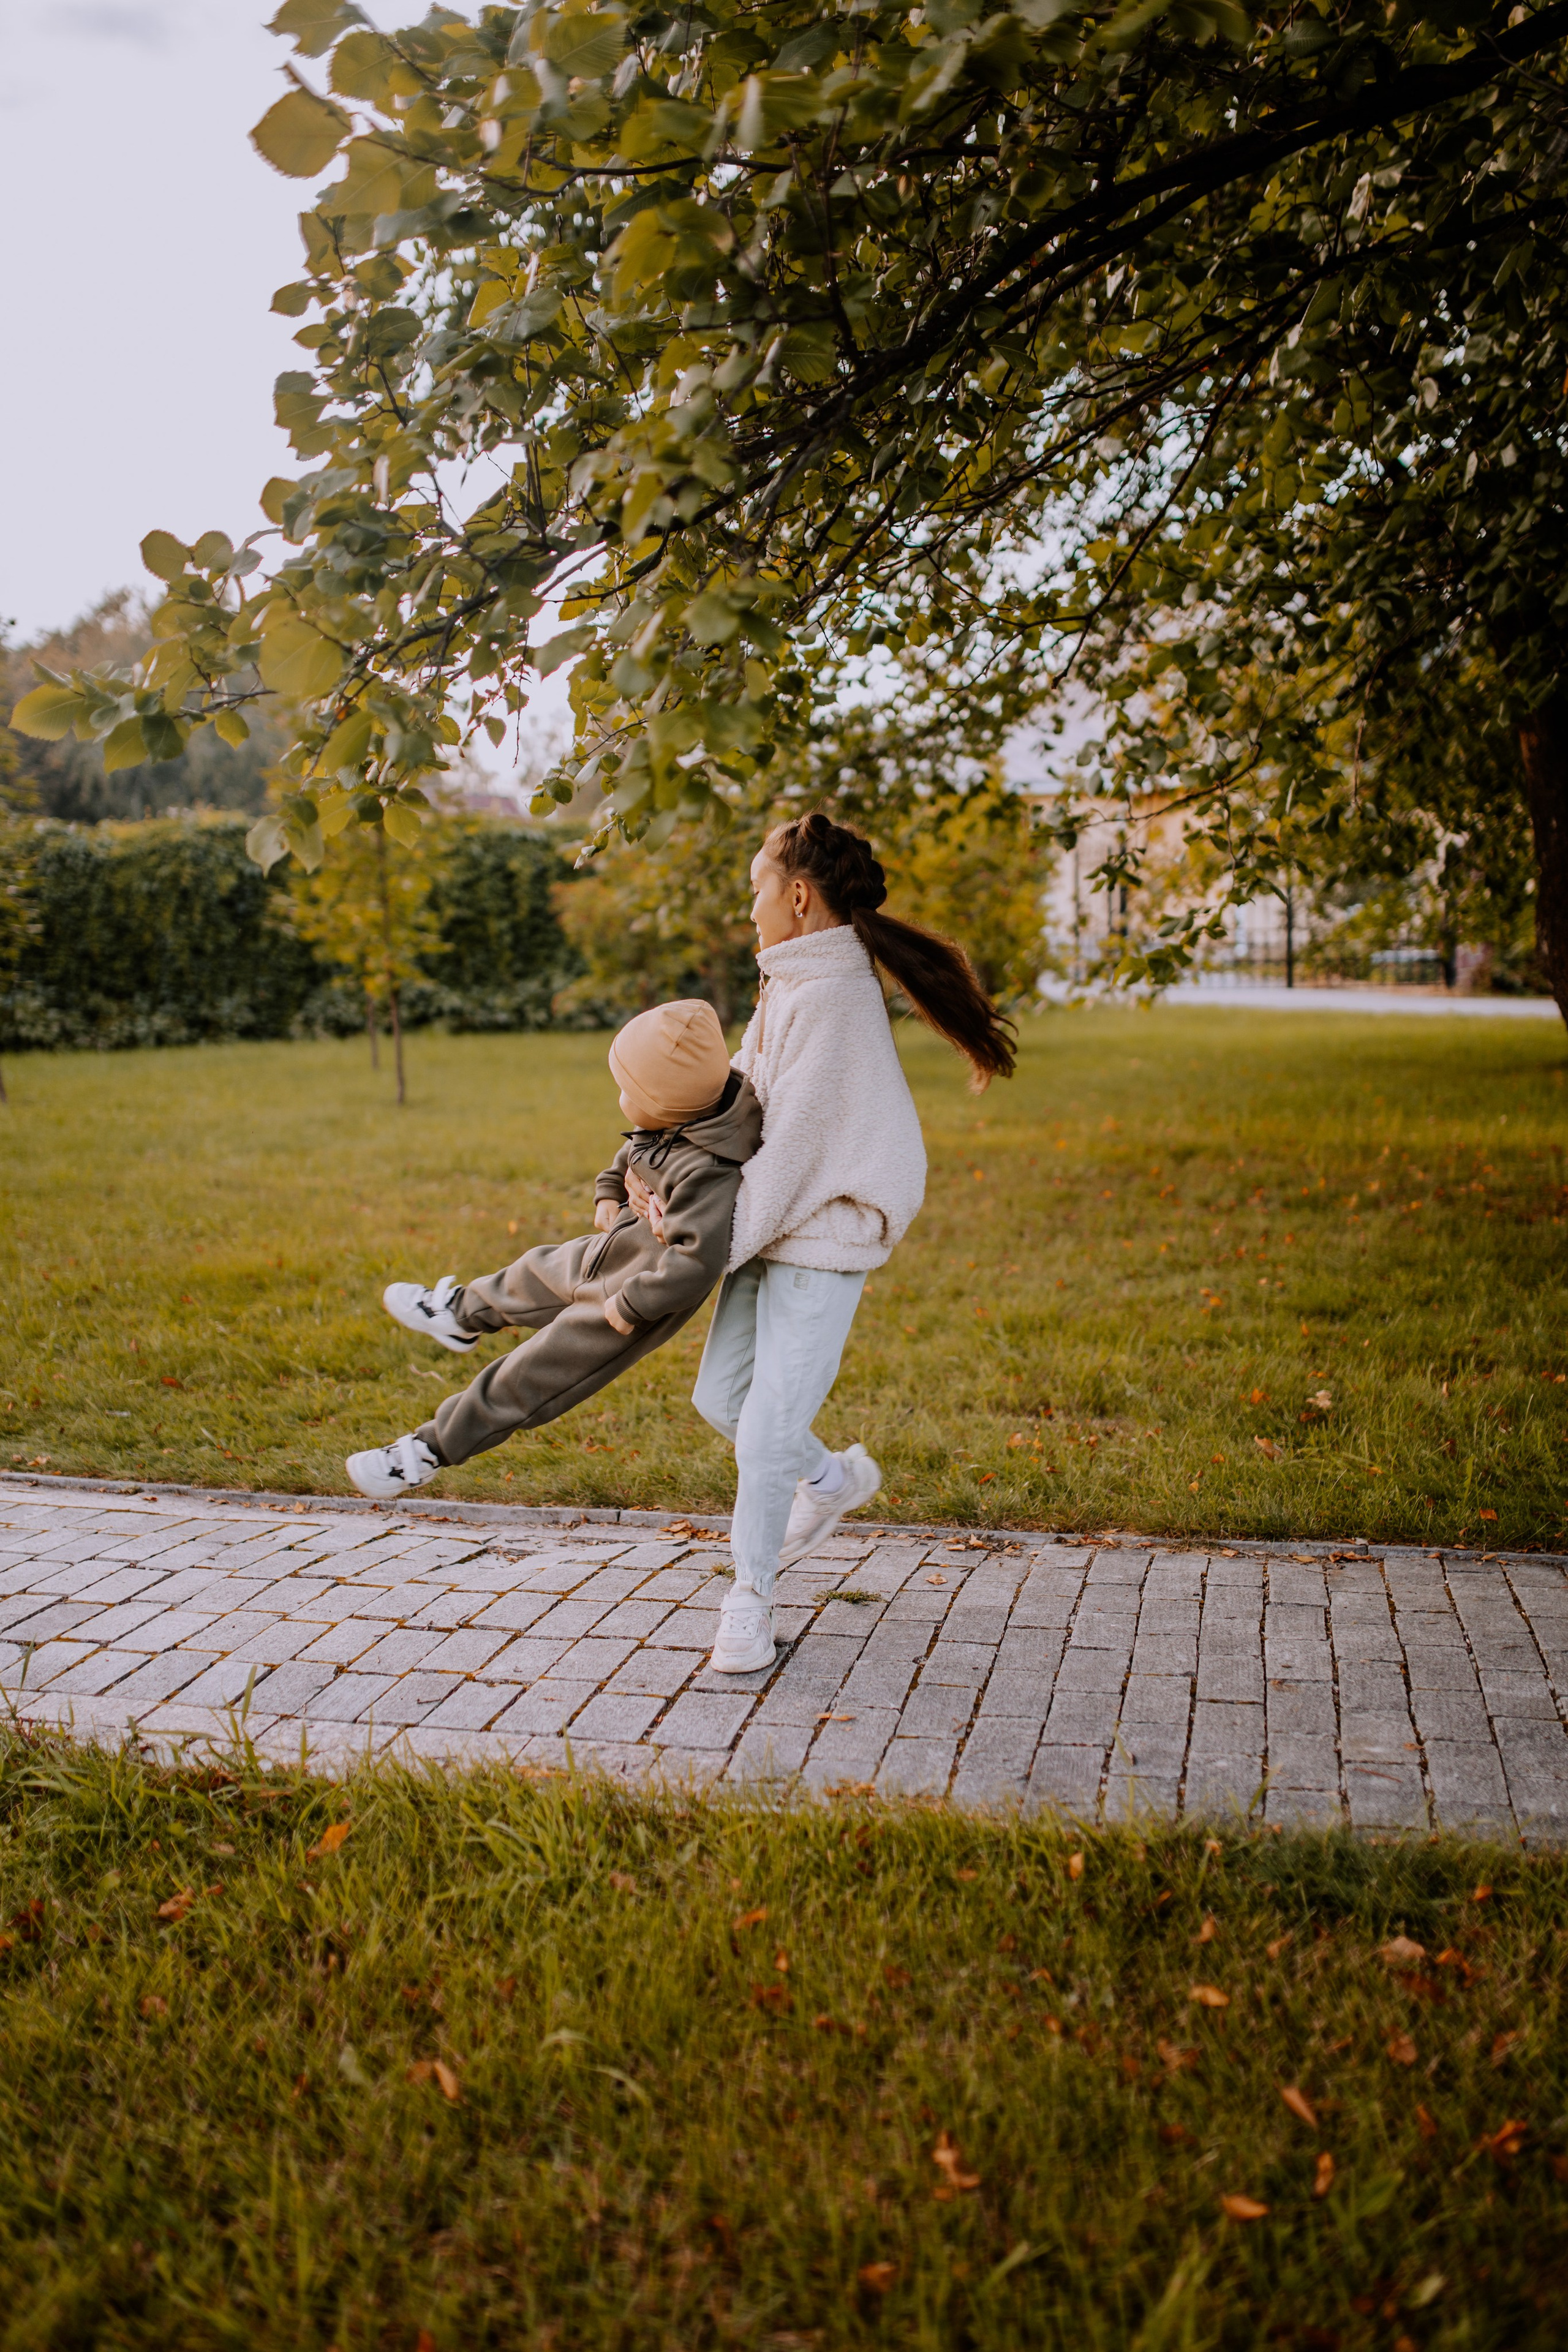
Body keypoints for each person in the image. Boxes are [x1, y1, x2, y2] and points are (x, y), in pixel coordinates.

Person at [624, 812, 1016, 1675]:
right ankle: (833, 1481)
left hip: (822, 1231)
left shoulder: (833, 998)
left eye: (756, 888)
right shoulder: (792, 983)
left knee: (766, 1431)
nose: (749, 907)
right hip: (771, 1223)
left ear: (798, 897)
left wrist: (702, 1244)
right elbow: (742, 1101)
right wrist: (663, 1173)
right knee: (722, 1400)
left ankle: (749, 1599)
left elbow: (795, 1149)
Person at [345, 999, 761, 1499]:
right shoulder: (686, 1114)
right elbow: (636, 1148)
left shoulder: (709, 1170)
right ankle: (458, 1314)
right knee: (532, 1271)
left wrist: (631, 1305)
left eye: (628, 1092)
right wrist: (609, 1190)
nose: (621, 1098)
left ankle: (427, 1451)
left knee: (530, 1373)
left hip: (631, 1299)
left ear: (666, 1104)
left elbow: (696, 1262)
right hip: (608, 1251)